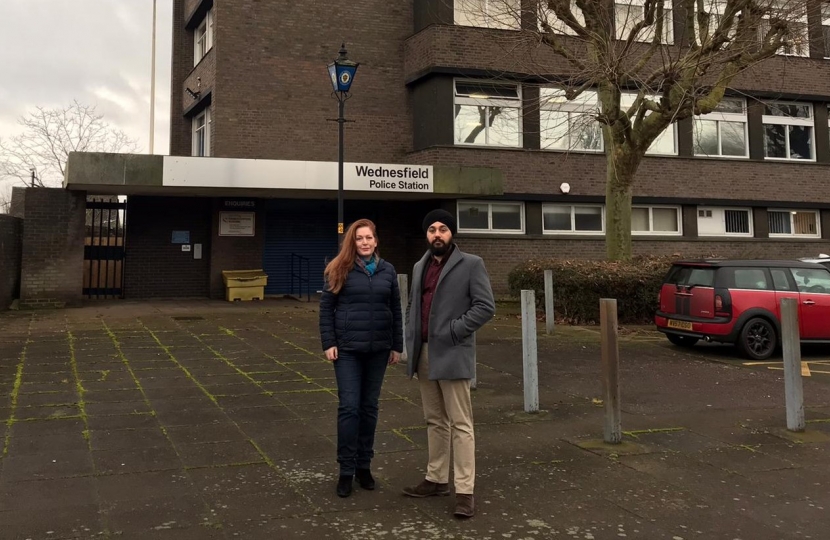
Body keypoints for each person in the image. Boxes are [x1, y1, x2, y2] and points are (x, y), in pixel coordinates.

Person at [402, 209, 495, 518]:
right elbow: (414, 305)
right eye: (432, 229)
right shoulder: (419, 266)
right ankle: (436, 478)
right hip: (424, 353)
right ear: (426, 235)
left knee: (461, 424)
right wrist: (410, 336)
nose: (437, 234)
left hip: (453, 352)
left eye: (442, 229)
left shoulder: (471, 265)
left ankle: (465, 491)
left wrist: (455, 329)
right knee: (434, 420)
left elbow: (485, 307)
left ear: (451, 233)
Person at [319, 219, 403, 498]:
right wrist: (329, 342)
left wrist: (397, 346)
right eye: (359, 238)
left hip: (379, 350)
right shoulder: (338, 269)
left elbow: (396, 310)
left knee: (369, 408)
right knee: (349, 408)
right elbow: (326, 309)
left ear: (376, 241)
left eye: (369, 238)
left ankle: (364, 466)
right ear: (351, 243)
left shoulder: (388, 271)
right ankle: (345, 470)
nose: (364, 242)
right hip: (348, 351)